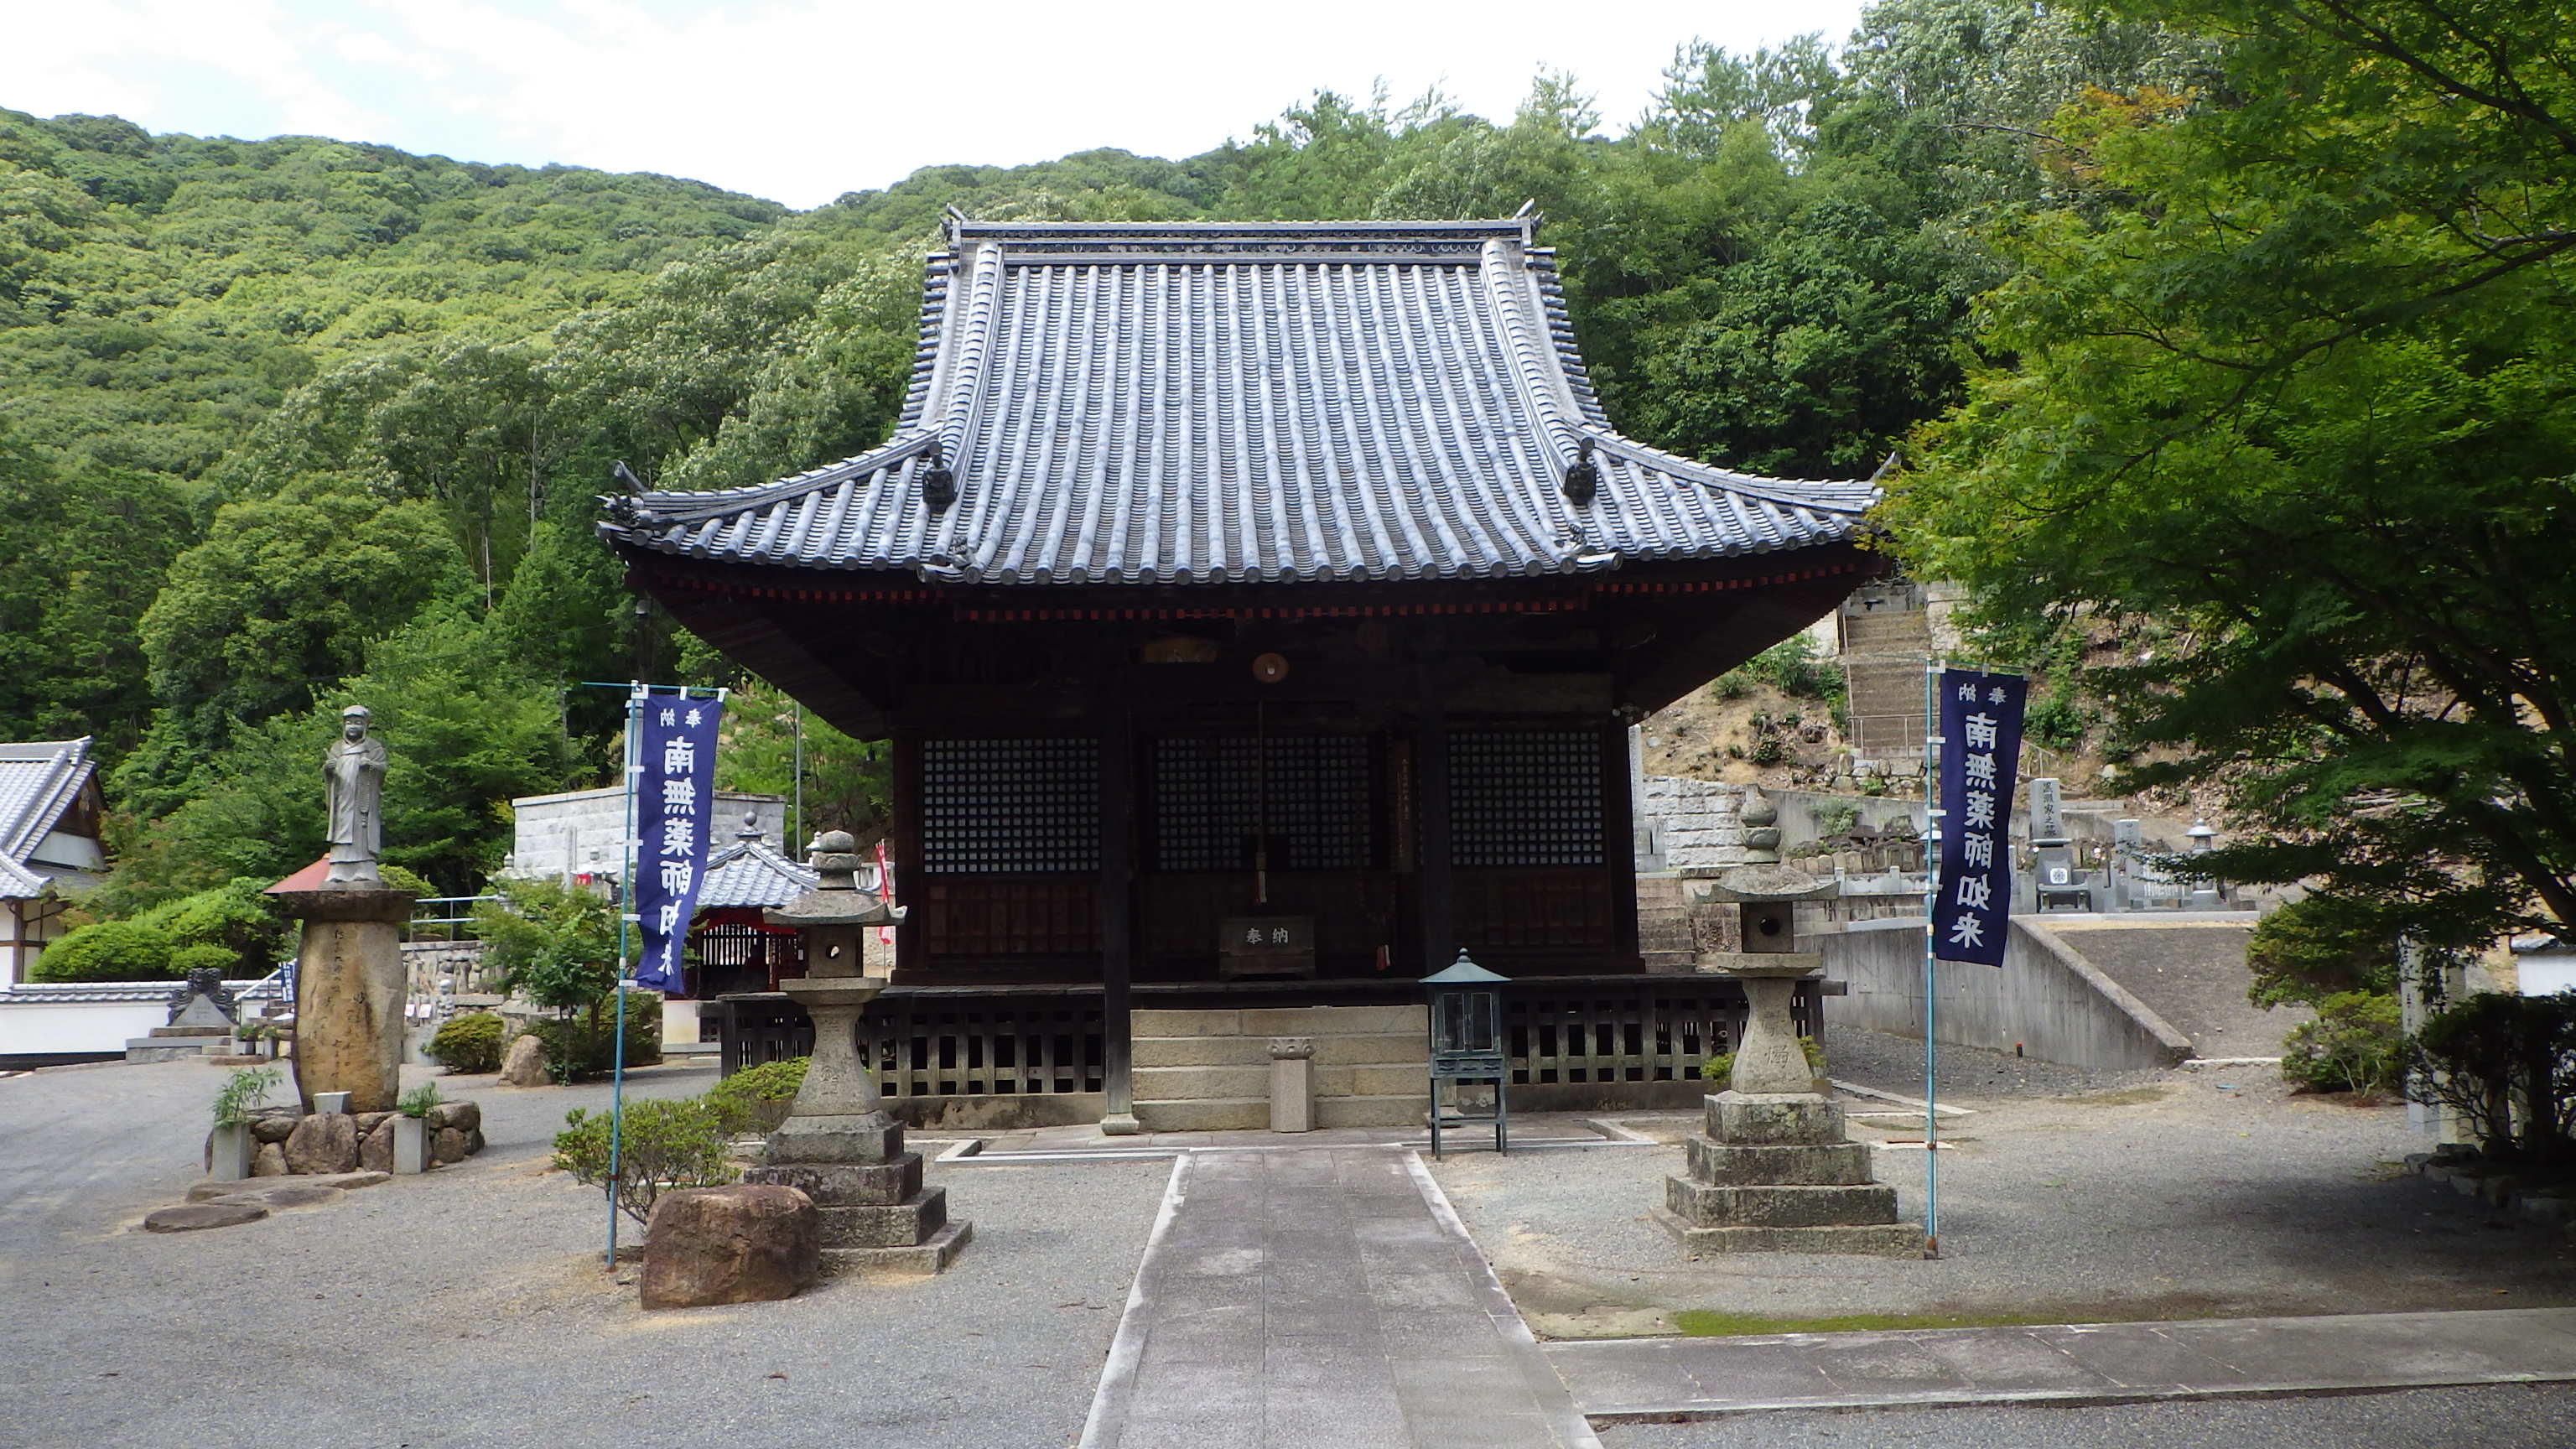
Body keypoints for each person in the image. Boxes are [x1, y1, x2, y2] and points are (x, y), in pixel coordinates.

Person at [324, 705, 387, 886]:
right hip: (343, 797)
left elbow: (382, 769)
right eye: (349, 723)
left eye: (358, 723)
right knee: (341, 831)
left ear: (365, 725)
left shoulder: (373, 747)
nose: (353, 727)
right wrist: (328, 771)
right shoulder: (337, 747)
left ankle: (364, 869)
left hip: (363, 798)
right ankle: (338, 870)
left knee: (361, 831)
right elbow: (330, 771)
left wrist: (371, 766)